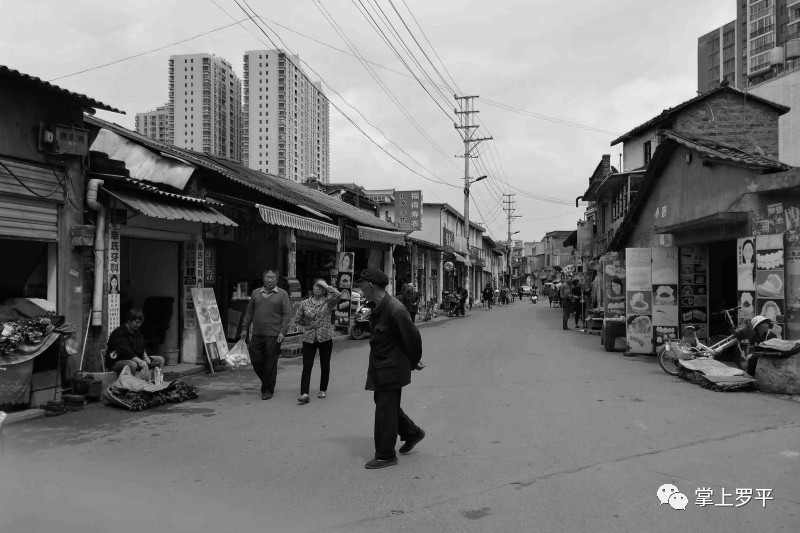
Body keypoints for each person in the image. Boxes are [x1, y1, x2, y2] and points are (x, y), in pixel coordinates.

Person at [354, 268, 425, 469]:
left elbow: (413, 339)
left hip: (391, 368)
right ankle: (412, 432)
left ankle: (385, 454)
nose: (360, 289)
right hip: (381, 366)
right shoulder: (377, 305)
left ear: (371, 285)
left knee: (385, 409)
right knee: (385, 403)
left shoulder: (396, 309)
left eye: (362, 285)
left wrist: (413, 361)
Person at [241, 268, 291, 400]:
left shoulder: (282, 294)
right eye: (268, 277)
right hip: (257, 333)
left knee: (270, 362)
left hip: (274, 334)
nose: (270, 280)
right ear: (263, 278)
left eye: (273, 277)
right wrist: (244, 328)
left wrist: (283, 332)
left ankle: (267, 390)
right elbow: (249, 312)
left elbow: (287, 315)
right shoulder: (256, 293)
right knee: (256, 359)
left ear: (276, 279)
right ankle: (267, 381)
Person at [289, 279, 341, 404]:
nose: (317, 288)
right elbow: (298, 319)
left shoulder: (328, 302)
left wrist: (327, 286)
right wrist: (307, 326)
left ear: (324, 290)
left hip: (325, 337)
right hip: (309, 337)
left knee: (325, 364)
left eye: (320, 287)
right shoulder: (305, 303)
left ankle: (323, 389)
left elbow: (338, 295)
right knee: (307, 365)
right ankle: (304, 393)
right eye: (316, 285)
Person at [106, 308, 164, 376]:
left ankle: (155, 382)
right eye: (136, 322)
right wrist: (140, 362)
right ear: (129, 321)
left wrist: (145, 356)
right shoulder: (119, 333)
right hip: (118, 362)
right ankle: (131, 384)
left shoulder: (136, 331)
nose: (138, 325)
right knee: (132, 364)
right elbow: (126, 352)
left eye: (140, 323)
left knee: (160, 360)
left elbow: (142, 345)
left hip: (136, 358)